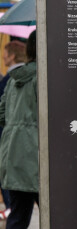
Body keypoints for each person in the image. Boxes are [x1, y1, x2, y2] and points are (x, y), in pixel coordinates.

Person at [0, 31, 38, 229]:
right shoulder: (45, 78)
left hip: (14, 156)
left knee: (18, 216)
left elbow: (1, 114)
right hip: (39, 158)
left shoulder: (13, 79)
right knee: (58, 213)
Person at [0, 40, 26, 220]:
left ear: (12, 56)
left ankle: (10, 207)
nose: (3, 56)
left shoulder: (11, 79)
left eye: (5, 53)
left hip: (8, 135)